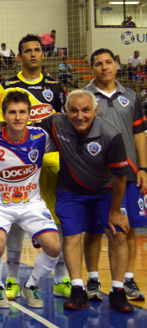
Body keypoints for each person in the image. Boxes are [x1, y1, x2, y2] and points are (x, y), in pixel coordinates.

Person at [0, 90, 136, 313]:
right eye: (73, 110)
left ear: (95, 110)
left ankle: (117, 291)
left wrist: (115, 210)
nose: (79, 115)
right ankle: (74, 289)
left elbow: (120, 176)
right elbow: (19, 123)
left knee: (114, 233)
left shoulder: (109, 133)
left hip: (98, 191)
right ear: (65, 111)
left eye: (85, 110)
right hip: (61, 192)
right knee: (67, 237)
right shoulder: (54, 124)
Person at [0, 34, 68, 302]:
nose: (33, 54)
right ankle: (12, 278)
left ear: (43, 54)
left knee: (56, 219)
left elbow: (63, 126)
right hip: (15, 164)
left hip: (50, 163)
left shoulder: (56, 88)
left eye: (37, 50)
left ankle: (61, 279)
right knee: (15, 222)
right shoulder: (7, 85)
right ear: (20, 55)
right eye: (27, 51)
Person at [0, 91, 61, 309]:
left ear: (30, 115)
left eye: (22, 112)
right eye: (12, 113)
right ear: (4, 115)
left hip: (32, 204)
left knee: (54, 247)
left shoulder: (41, 137)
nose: (18, 117)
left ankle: (31, 285)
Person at [83, 48, 147, 302]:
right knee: (93, 230)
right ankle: (92, 279)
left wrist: (143, 167)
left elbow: (139, 134)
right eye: (98, 64)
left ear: (117, 66)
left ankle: (128, 280)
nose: (104, 67)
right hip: (94, 176)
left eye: (108, 62)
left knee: (127, 228)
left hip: (129, 175)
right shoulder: (83, 97)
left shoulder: (131, 97)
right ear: (92, 70)